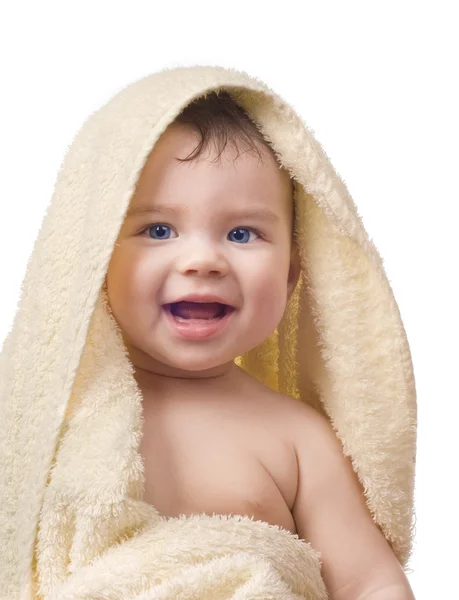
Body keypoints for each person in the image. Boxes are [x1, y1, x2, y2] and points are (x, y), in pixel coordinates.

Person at [105, 91, 415, 600]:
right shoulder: (55, 421)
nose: (202, 260)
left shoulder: (297, 440)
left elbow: (369, 583)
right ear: (92, 260)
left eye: (243, 234)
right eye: (159, 229)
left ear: (292, 276)